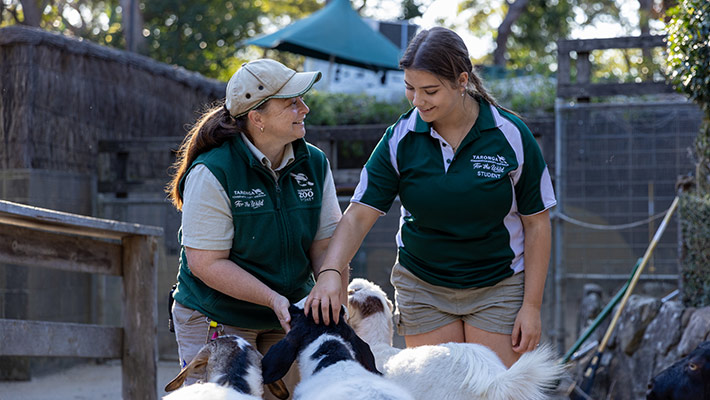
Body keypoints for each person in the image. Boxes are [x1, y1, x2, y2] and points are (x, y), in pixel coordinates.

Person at [305, 27, 555, 367]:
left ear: (462, 80)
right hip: (423, 287)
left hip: (497, 285)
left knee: (494, 391)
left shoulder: (509, 135)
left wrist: (532, 306)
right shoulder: (400, 138)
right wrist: (331, 272)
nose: (418, 100)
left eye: (430, 90)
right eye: (410, 88)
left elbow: (537, 224)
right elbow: (359, 214)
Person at [166, 59, 345, 398]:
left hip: (288, 315)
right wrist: (271, 297)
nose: (304, 108)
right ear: (257, 118)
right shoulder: (214, 170)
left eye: (302, 99)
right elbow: (206, 263)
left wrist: (332, 288)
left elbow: (326, 244)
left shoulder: (315, 163)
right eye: (291, 102)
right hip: (217, 315)